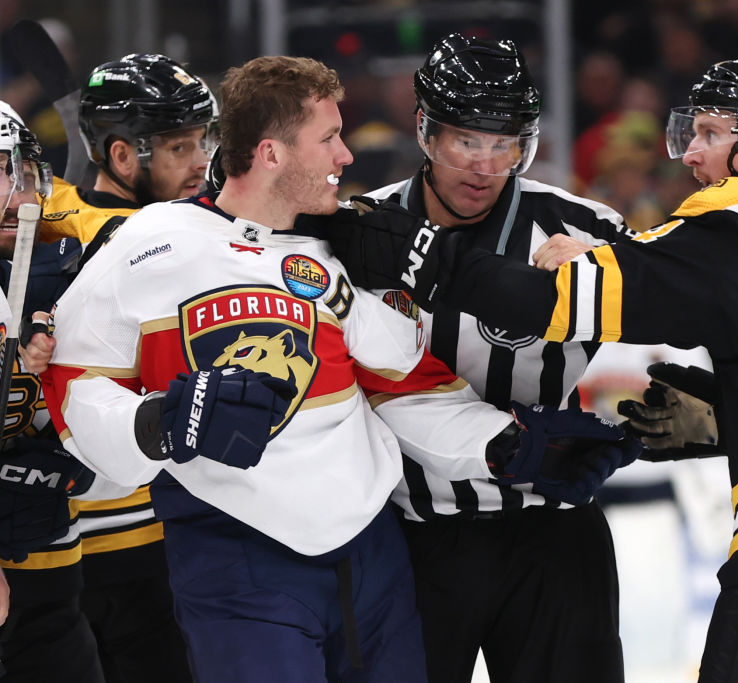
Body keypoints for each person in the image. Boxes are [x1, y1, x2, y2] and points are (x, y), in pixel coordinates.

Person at [331, 57, 738, 682]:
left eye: (710, 133)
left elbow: (549, 303)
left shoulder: (732, 225)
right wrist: (726, 416)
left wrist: (427, 260)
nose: (691, 154)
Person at [42, 54, 632, 683]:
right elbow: (71, 385)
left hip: (372, 556)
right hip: (238, 551)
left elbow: (405, 382)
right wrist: (157, 422)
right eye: (328, 139)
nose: (346, 156)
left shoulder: (334, 250)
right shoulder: (147, 242)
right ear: (271, 154)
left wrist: (510, 446)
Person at [355, 33, 635, 683]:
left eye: (504, 142)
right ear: (426, 132)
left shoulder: (590, 232)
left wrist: (606, 295)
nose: (486, 164)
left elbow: (669, 358)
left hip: (556, 541)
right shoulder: (362, 231)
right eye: (467, 140)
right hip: (414, 536)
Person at [34, 53, 219, 683]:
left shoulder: (50, 213)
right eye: (179, 146)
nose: (201, 163)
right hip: (93, 539)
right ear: (120, 156)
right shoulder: (174, 236)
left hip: (130, 532)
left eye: (203, 142)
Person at [0, 98, 108, 683]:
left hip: (52, 567)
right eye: (0, 171)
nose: (20, 192)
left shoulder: (54, 271)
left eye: (21, 170)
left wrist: (71, 454)